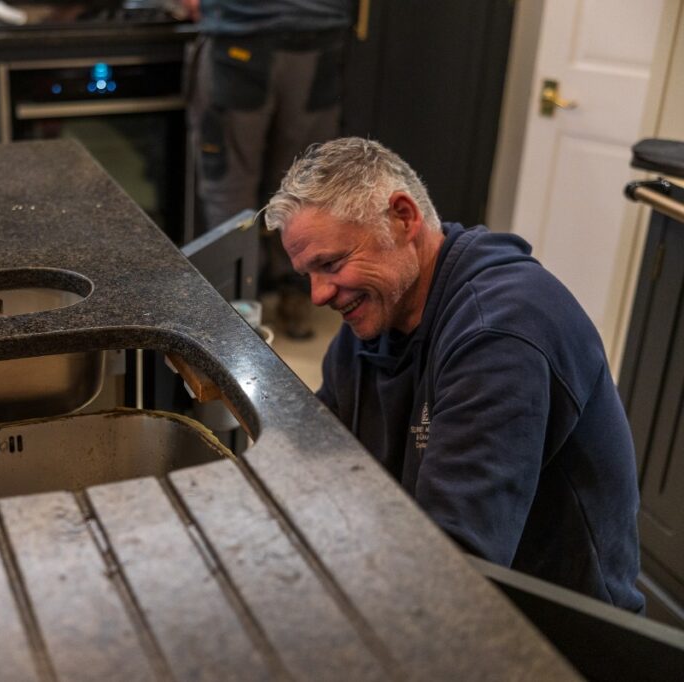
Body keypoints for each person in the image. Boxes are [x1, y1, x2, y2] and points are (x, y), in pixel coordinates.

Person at [264, 137, 645, 612]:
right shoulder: (376, 315)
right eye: (307, 274)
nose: (319, 294)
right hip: (436, 584)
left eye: (331, 264)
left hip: (556, 637)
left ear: (403, 218)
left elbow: (458, 568)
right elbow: (319, 453)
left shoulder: (500, 334)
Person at [182, 0, 358, 338]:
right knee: (305, 182)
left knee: (229, 182)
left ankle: (235, 316)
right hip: (320, 37)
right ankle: (295, 299)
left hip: (242, 37)